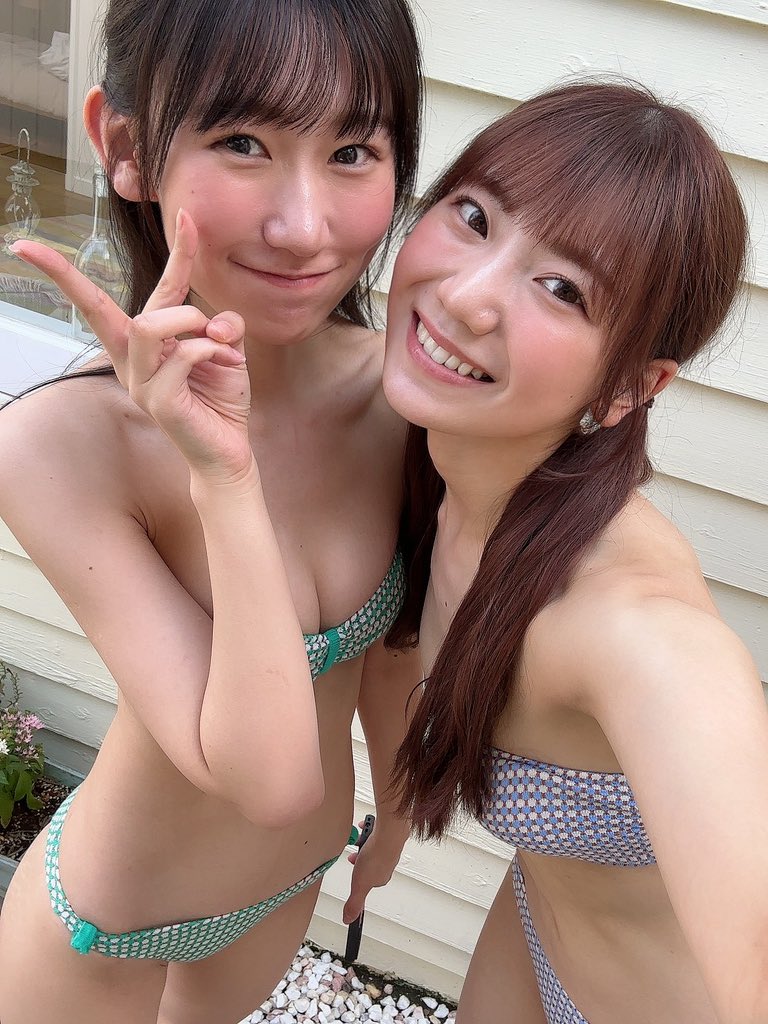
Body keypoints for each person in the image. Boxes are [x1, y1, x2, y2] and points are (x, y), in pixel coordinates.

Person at [0, 1, 422, 1021]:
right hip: (105, 928)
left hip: (288, 884)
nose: (305, 226)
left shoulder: (400, 399)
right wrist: (222, 476)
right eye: (243, 142)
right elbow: (265, 778)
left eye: (353, 151)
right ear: (125, 147)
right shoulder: (58, 446)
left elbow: (394, 660)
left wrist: (397, 820)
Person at [383, 81, 768, 1024]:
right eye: (474, 217)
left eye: (562, 289)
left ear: (631, 386)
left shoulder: (632, 631)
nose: (466, 296)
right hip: (534, 928)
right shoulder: (448, 460)